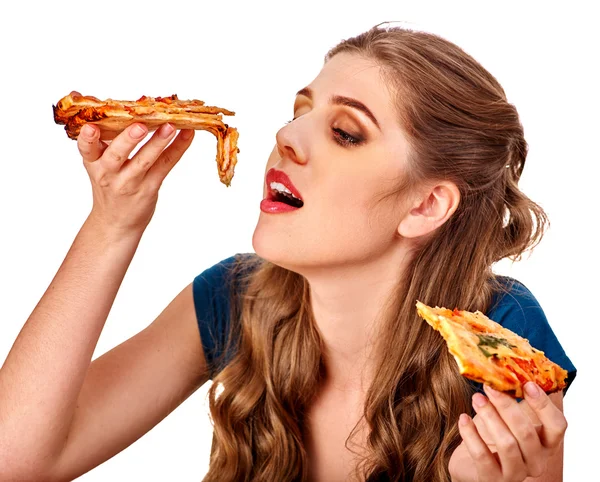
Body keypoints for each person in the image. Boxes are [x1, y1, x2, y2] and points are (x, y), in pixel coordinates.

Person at [0, 25, 576, 482]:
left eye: (346, 132)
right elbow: (16, 459)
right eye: (301, 110)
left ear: (425, 205)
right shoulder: (237, 296)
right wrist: (113, 224)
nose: (287, 134)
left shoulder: (506, 342)